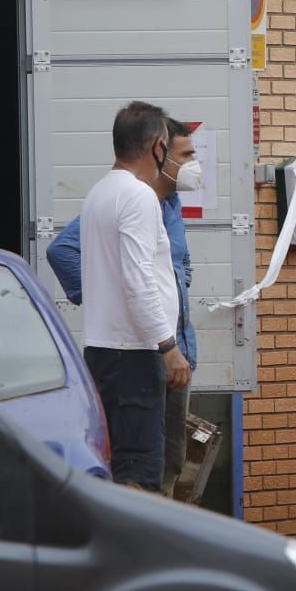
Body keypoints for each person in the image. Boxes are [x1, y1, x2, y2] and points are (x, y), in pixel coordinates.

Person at [48, 119, 201, 493]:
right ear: (159, 150)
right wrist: (108, 296)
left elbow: (177, 265)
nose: (196, 164)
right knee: (137, 470)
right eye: (186, 154)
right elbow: (65, 252)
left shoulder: (171, 205)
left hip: (171, 351)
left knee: (162, 464)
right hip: (144, 350)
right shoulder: (133, 198)